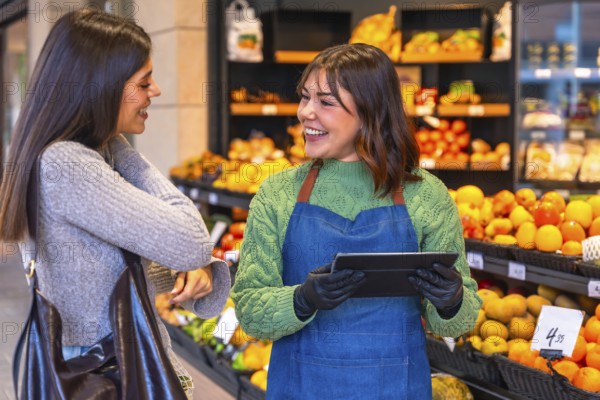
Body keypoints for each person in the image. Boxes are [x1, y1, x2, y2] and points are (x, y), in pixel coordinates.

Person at [0, 8, 230, 398]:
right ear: (101, 86)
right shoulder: (66, 164)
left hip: (99, 361)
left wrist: (193, 270)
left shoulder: (75, 156)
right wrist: (126, 152)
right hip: (104, 369)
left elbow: (105, 269)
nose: (154, 91)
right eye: (143, 82)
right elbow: (191, 239)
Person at [231, 43, 482, 399]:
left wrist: (451, 299)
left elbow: (460, 321)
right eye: (305, 98)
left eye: (325, 102)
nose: (305, 113)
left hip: (397, 388)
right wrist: (302, 299)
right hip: (302, 388)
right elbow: (250, 311)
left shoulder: (425, 195)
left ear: (370, 110)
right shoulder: (279, 194)